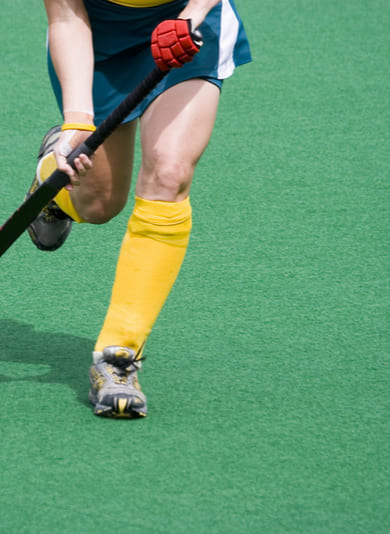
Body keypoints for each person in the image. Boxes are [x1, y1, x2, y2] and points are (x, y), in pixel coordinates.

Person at [28, 0, 251, 418]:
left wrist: (188, 20)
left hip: (186, 26)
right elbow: (66, 16)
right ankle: (52, 188)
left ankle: (118, 358)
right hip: (97, 37)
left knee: (171, 171)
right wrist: (77, 123)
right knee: (98, 204)